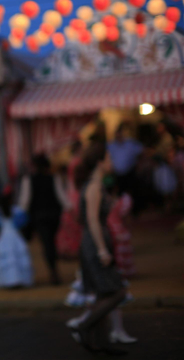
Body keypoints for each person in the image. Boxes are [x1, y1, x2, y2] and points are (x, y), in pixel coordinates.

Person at [69, 142, 128, 356]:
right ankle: (83, 327)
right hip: (95, 243)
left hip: (95, 241)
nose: (112, 162)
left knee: (104, 293)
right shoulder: (93, 186)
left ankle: (99, 342)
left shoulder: (98, 184)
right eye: (109, 158)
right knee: (117, 292)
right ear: (100, 162)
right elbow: (92, 221)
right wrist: (102, 250)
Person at [19, 154, 70, 285]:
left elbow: (24, 202)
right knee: (51, 242)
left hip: (39, 216)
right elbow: (62, 197)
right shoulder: (54, 178)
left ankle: (53, 271)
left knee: (47, 243)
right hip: (54, 215)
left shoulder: (28, 180)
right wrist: (70, 208)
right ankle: (54, 271)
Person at [0, 186, 33, 289]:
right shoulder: (17, 210)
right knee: (17, 258)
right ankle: (19, 279)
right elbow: (23, 222)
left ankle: (8, 280)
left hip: (3, 236)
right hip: (15, 236)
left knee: (7, 260)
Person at [107, 122, 143, 199]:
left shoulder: (130, 143)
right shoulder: (111, 145)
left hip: (130, 173)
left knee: (132, 193)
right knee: (120, 193)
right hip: (117, 175)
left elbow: (141, 151)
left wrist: (139, 164)